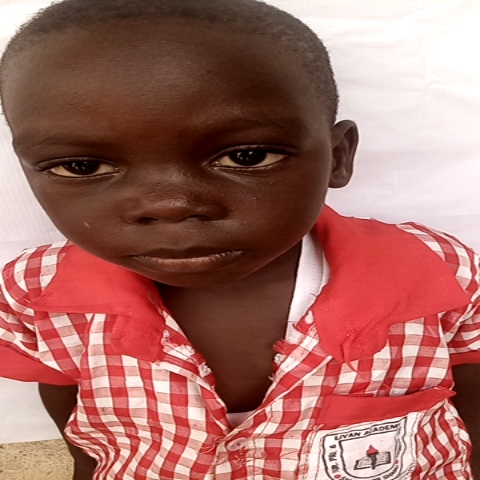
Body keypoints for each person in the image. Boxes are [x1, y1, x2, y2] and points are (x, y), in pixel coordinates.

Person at [0, 0, 478, 478]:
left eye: (246, 157)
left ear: (337, 156)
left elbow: (471, 396)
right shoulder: (35, 293)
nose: (171, 205)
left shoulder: (440, 272)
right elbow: (73, 411)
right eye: (81, 166)